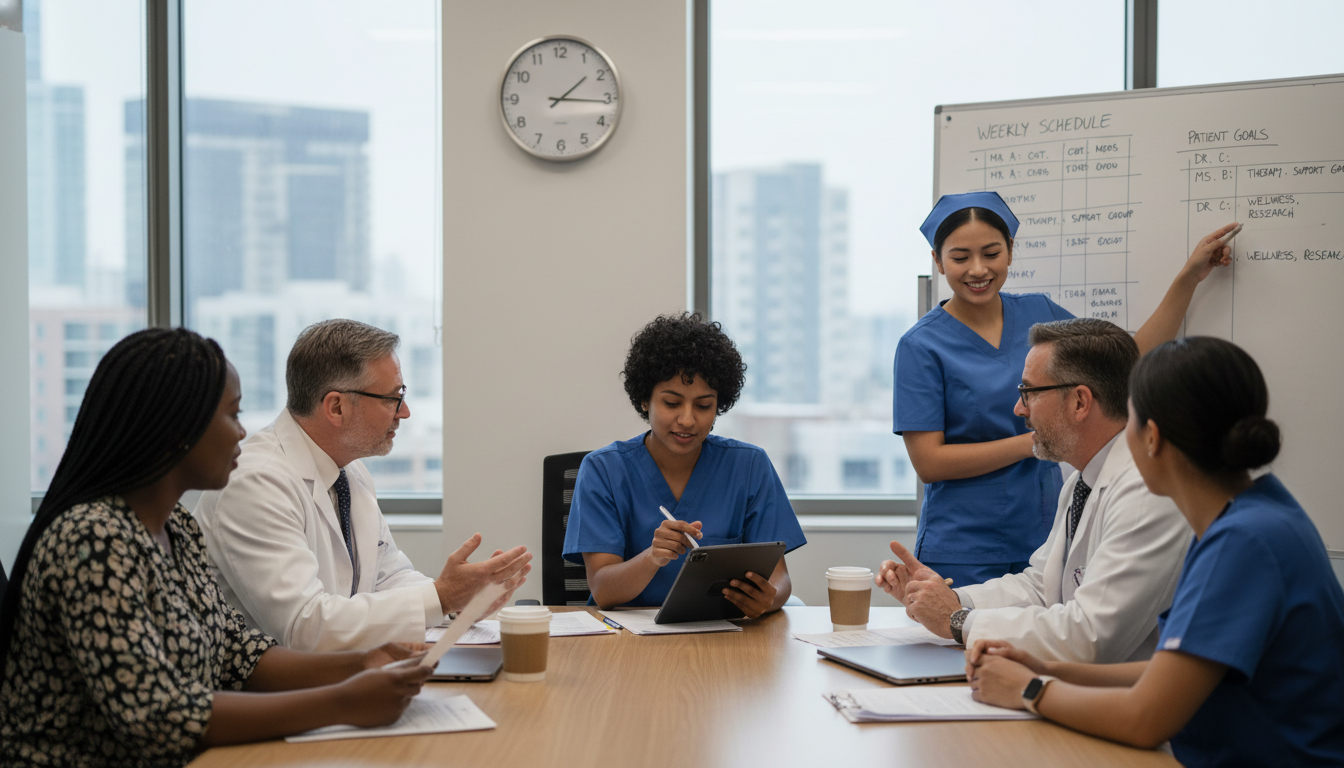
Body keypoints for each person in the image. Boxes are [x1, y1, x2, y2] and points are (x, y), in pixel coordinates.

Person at [0, 328, 433, 767]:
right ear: (175, 430)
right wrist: (341, 702)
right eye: (231, 415)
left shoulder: (176, 527)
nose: (242, 433)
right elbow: (158, 716)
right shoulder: (92, 541)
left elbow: (236, 654)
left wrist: (362, 663)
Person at [967, 337, 1344, 766]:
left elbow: (1146, 718)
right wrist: (1045, 669)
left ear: (1152, 437)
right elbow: (1169, 671)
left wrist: (1028, 690)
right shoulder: (1251, 518)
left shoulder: (1245, 542)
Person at [894, 191, 1238, 586]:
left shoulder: (1040, 313)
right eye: (959, 257)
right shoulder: (920, 346)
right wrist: (1037, 441)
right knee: (963, 636)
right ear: (937, 261)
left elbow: (1126, 358)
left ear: (1010, 250)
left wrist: (1188, 278)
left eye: (991, 253)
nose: (978, 269)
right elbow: (929, 463)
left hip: (1044, 535)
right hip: (961, 547)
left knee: (1046, 639)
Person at [195, 319, 531, 652]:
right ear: (336, 407)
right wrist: (441, 597)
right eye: (393, 398)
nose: (406, 412)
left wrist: (460, 602)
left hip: (337, 681)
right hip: (266, 698)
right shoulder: (255, 483)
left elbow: (388, 577)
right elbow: (304, 627)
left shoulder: (348, 472)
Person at [878, 318, 1190, 663]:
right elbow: (1042, 586)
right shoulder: (1082, 481)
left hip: (1122, 701)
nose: (1019, 409)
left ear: (1080, 402)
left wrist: (957, 621)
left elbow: (1090, 635)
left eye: (1029, 392)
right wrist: (944, 600)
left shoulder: (1147, 492)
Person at [562, 313, 806, 617]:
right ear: (643, 400)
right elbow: (603, 591)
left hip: (723, 639)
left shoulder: (749, 466)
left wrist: (768, 599)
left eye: (704, 406)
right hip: (627, 642)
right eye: (672, 403)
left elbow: (779, 579)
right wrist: (653, 557)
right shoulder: (603, 471)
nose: (688, 419)